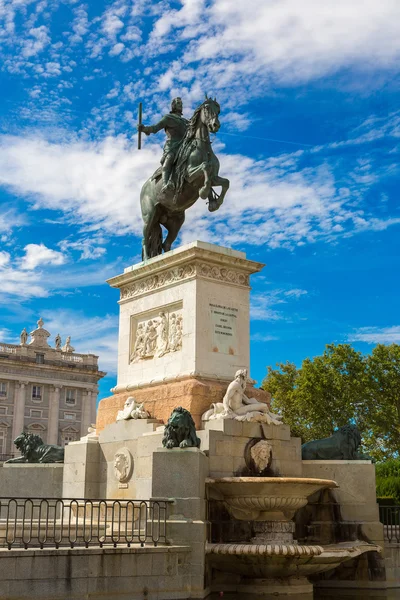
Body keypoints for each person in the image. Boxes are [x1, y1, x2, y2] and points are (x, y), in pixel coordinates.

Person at [138, 97, 189, 195]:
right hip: (172, 146)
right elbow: (155, 128)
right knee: (169, 158)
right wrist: (144, 129)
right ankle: (165, 183)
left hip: (184, 147)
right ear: (173, 106)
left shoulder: (186, 122)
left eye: (181, 103)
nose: (181, 105)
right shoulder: (168, 118)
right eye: (178, 103)